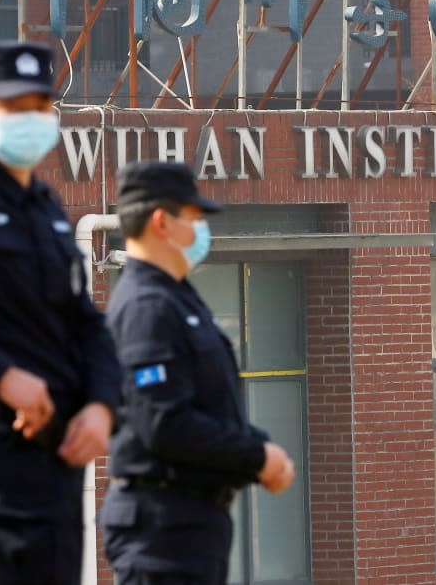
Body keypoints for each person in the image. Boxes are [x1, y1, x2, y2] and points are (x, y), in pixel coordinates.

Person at [0, 38, 121, 585]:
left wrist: (102, 406)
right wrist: (3, 376)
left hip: (59, 458)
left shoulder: (47, 209)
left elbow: (86, 322)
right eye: (13, 107)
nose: (31, 119)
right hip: (0, 455)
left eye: (40, 106)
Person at [100, 159, 296, 584]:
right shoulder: (146, 307)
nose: (201, 231)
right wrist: (256, 456)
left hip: (188, 524)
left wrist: (258, 449)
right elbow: (163, 422)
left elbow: (209, 404)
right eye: (193, 218)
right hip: (163, 526)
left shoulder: (177, 299)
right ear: (161, 222)